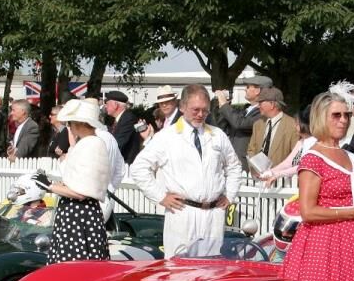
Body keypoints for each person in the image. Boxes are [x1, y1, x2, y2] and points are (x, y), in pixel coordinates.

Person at [280, 85, 354, 281]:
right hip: (322, 246)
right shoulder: (313, 158)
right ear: (321, 117)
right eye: (336, 115)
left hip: (352, 244)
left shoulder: (349, 156)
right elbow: (308, 212)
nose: (343, 120)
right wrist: (352, 212)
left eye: (347, 115)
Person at [130, 83, 242, 257]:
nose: (200, 115)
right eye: (195, 109)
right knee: (179, 271)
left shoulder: (217, 135)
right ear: (182, 107)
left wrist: (230, 194)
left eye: (205, 110)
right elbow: (139, 169)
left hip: (213, 214)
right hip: (182, 213)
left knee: (211, 270)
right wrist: (160, 196)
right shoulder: (167, 137)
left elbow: (234, 166)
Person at [46, 101, 112, 262]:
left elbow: (81, 192)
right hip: (76, 213)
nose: (69, 127)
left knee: (76, 265)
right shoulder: (87, 143)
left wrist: (49, 186)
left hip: (79, 215)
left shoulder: (92, 145)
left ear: (80, 123)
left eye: (71, 123)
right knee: (73, 263)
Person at [214, 75, 270, 167]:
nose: (245, 89)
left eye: (248, 87)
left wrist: (224, 105)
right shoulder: (245, 110)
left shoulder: (263, 113)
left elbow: (239, 124)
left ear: (257, 91)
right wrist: (222, 106)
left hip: (247, 163)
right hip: (232, 161)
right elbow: (223, 127)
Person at [245, 87, 300, 170]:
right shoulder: (258, 124)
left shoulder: (292, 125)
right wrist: (256, 168)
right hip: (259, 178)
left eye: (261, 102)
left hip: (281, 179)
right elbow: (251, 150)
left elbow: (296, 155)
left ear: (272, 104)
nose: (258, 106)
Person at [105, 90, 141, 164]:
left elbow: (117, 143)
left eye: (107, 103)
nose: (105, 106)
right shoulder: (121, 119)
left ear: (115, 105)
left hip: (126, 166)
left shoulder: (128, 119)